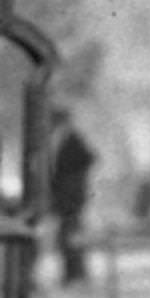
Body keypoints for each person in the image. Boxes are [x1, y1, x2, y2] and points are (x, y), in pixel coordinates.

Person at [49, 110, 97, 286]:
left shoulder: (72, 139)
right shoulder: (64, 139)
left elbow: (89, 158)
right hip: (67, 198)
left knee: (70, 235)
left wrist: (73, 180)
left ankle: (75, 273)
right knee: (69, 235)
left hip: (71, 198)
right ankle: (73, 272)